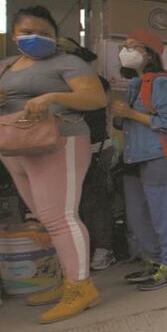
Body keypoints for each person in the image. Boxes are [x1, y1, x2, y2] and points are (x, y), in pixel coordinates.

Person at [0, 5, 106, 323]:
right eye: (28, 32)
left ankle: (80, 287)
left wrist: (52, 97)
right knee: (44, 217)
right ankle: (65, 279)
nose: (36, 38)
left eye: (45, 33)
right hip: (14, 146)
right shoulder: (4, 67)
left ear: (56, 37)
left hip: (60, 142)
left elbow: (96, 98)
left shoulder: (68, 62)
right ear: (14, 35)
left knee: (60, 217)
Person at [111, 28, 167, 291]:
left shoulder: (162, 83)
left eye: (134, 47)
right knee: (137, 215)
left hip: (158, 157)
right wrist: (122, 115)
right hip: (133, 158)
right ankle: (155, 261)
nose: (126, 51)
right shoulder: (134, 85)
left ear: (150, 53)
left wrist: (131, 114)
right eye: (125, 46)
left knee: (163, 215)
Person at [56, 38, 117, 272]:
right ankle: (81, 251)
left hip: (95, 149)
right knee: (74, 205)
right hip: (67, 150)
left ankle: (103, 249)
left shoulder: (95, 84)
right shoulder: (57, 83)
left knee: (95, 201)